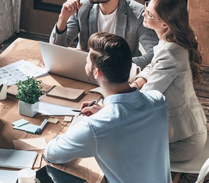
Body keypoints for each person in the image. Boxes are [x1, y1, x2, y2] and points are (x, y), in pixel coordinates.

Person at [45, 32, 171, 183]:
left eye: (87, 60)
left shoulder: (94, 127)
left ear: (97, 72)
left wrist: (83, 122)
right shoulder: (158, 100)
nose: (86, 63)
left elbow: (52, 154)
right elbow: (129, 123)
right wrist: (105, 112)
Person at [131, 0, 207, 162]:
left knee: (124, 147)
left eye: (149, 14)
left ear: (164, 24)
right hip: (189, 129)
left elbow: (146, 98)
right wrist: (137, 82)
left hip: (182, 142)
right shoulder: (170, 40)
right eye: (146, 7)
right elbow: (153, 65)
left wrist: (119, 99)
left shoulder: (170, 53)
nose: (143, 13)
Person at [49, 0, 158, 69]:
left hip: (120, 75)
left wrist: (118, 65)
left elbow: (155, 54)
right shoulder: (81, 5)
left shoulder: (138, 14)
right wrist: (62, 19)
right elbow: (56, 49)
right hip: (86, 70)